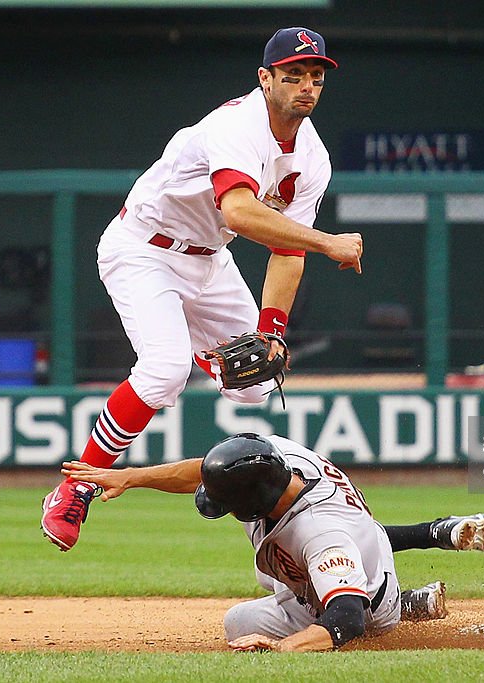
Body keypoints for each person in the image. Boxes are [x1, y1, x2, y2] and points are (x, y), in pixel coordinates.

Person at [41, 26, 363, 552]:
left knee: (255, 381)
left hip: (210, 260)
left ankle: (212, 363)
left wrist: (272, 329)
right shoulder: (237, 125)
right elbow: (238, 210)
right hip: (143, 248)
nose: (306, 85)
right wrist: (330, 242)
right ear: (266, 78)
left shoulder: (314, 159)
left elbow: (287, 252)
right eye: (293, 75)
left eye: (315, 76)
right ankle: (75, 487)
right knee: (164, 369)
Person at [62, 433, 484, 652]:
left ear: (255, 504)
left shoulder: (319, 534)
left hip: (362, 600)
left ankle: (399, 607)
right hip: (357, 543)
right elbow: (209, 468)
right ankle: (437, 535)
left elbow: (345, 620)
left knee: (241, 621)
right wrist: (131, 477)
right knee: (283, 569)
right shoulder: (276, 458)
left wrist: (284, 648)